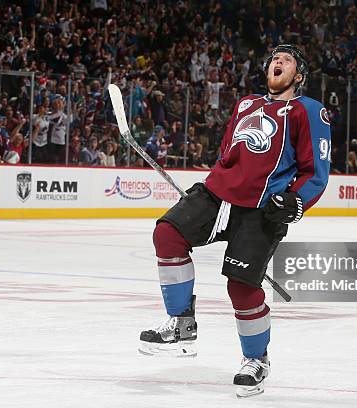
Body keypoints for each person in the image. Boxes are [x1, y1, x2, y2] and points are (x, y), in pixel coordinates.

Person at [140, 45, 330, 397]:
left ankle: (256, 360)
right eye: (274, 57)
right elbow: (228, 151)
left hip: (262, 208)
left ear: (298, 75)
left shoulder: (308, 111)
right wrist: (216, 182)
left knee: (241, 287)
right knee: (167, 234)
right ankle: (181, 323)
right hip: (217, 195)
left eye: (286, 60)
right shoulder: (246, 104)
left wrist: (295, 201)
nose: (277, 62)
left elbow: (315, 172)